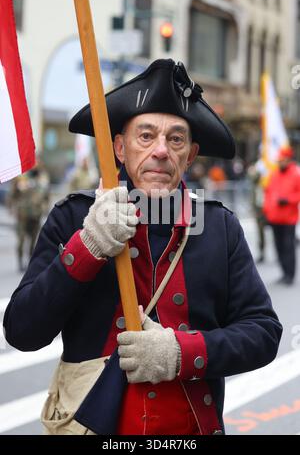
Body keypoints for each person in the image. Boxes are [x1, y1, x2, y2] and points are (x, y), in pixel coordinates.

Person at [4, 59, 282, 436]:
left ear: (191, 154)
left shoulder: (220, 226)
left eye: (176, 139)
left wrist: (181, 353)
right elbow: (22, 332)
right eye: (146, 136)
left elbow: (263, 332)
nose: (161, 151)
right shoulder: (73, 217)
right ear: (119, 147)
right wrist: (86, 248)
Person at [263, 146, 300, 285]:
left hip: (289, 218)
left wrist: (288, 200)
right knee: (278, 246)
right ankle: (284, 272)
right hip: (274, 218)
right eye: (279, 160)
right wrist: (266, 211)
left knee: (288, 246)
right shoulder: (274, 174)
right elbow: (268, 193)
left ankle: (290, 274)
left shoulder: (296, 174)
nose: (280, 162)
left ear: (288, 159)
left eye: (283, 160)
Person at [6, 162, 50, 272]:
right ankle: (20, 261)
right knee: (21, 238)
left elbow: (46, 195)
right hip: (23, 214)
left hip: (36, 213)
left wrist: (45, 207)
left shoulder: (43, 177)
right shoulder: (21, 177)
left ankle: (30, 260)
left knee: (34, 239)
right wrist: (11, 207)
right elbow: (12, 194)